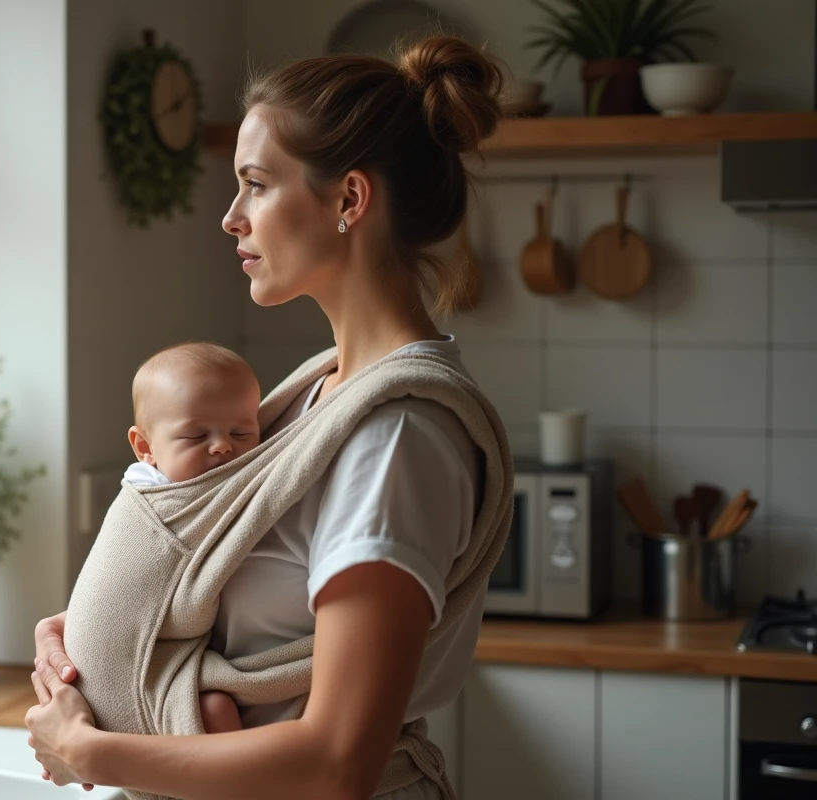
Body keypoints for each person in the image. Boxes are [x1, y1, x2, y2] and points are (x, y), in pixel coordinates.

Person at [26, 34, 506, 799]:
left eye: (255, 184)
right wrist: (95, 635)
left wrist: (92, 753)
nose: (231, 218)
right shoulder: (322, 395)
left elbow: (338, 761)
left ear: (349, 199)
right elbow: (253, 616)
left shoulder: (397, 435)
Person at [123, 340, 261, 734]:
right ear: (146, 448)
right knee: (214, 709)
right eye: (195, 437)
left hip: (181, 656)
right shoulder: (150, 495)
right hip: (139, 657)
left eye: (242, 432)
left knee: (215, 705)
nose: (222, 446)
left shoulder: (238, 485)